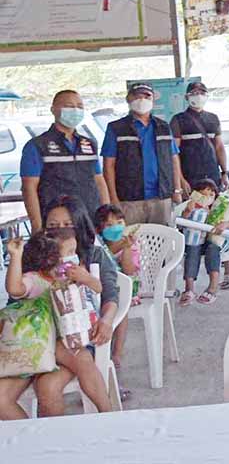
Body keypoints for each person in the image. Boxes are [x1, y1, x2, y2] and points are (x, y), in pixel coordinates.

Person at [0, 196, 119, 420]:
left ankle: (108, 416)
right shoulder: (35, 266)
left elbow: (108, 293)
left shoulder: (91, 256)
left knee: (48, 386)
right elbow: (15, 297)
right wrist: (16, 257)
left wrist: (106, 319)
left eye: (68, 225)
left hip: (72, 339)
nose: (60, 232)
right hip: (33, 342)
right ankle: (35, 437)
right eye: (53, 226)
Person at [21, 89, 108, 230]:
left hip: (90, 219)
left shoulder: (89, 144)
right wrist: (37, 225)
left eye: (80, 106)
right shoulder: (37, 145)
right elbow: (29, 188)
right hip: (57, 222)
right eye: (69, 106)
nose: (75, 110)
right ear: (53, 110)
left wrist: (107, 214)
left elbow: (99, 181)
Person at [102, 83, 185, 225]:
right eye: (137, 96)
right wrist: (113, 198)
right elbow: (108, 165)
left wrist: (177, 189)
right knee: (131, 237)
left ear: (153, 100)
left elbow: (173, 159)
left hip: (161, 197)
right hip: (129, 199)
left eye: (147, 96)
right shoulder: (116, 128)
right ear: (128, 99)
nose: (142, 100)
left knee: (162, 236)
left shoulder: (163, 126)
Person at [93, 204, 139, 401]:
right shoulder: (98, 248)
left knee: (121, 312)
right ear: (99, 230)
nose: (116, 227)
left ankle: (117, 353)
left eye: (119, 222)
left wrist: (125, 248)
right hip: (103, 292)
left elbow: (128, 271)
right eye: (109, 225)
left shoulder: (129, 244)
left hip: (125, 291)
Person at [177, 179, 229, 306]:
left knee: (213, 248)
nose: (207, 197)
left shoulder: (218, 208)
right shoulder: (190, 206)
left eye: (211, 194)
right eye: (204, 194)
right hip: (193, 241)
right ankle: (189, 289)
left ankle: (212, 288)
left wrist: (225, 224)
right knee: (192, 251)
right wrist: (188, 212)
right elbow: (179, 224)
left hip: (211, 241)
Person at [170, 82, 229, 191]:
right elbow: (173, 153)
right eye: (194, 93)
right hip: (190, 178)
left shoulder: (213, 118)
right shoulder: (178, 120)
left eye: (202, 93)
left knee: (214, 202)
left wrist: (225, 173)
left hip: (212, 176)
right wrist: (181, 180)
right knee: (192, 202)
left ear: (207, 96)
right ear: (186, 97)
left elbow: (219, 147)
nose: (198, 96)